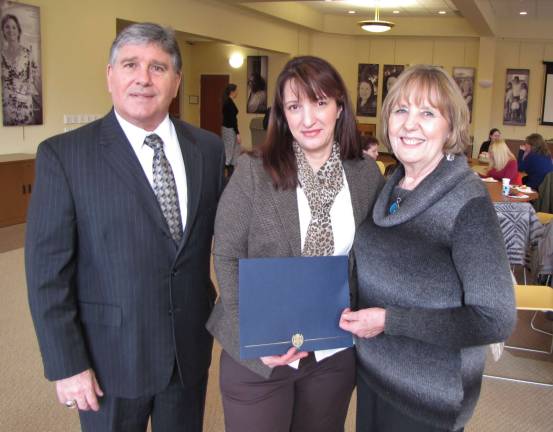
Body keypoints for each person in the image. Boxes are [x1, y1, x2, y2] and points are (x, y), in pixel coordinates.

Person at [25, 23, 225, 432]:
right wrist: (67, 363)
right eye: (131, 64)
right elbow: (47, 274)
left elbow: (224, 238)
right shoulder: (65, 157)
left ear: (175, 81)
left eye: (158, 67)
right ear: (110, 76)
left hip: (187, 352)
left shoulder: (207, 148)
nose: (143, 78)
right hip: (109, 361)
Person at [207, 55, 383, 432]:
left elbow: (370, 259)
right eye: (294, 106)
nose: (308, 118)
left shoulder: (366, 175)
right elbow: (226, 255)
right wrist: (252, 336)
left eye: (319, 102)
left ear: (339, 107)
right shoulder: (253, 171)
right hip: (259, 355)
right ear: (281, 114)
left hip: (331, 353)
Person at [340, 65, 516, 432]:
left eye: (428, 113)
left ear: (450, 127)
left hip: (427, 400)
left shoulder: (467, 202)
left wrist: (390, 320)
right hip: (377, 378)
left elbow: (494, 318)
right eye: (401, 110)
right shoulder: (393, 183)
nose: (410, 124)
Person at [1, 13, 41, 125]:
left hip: (24, 108)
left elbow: (36, 78)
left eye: (14, 27)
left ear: (18, 30)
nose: (10, 30)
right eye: (7, 27)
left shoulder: (27, 54)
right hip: (7, 109)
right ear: (3, 31)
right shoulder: (1, 56)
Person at [221, 83, 241, 175]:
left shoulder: (228, 101)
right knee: (229, 151)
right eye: (236, 91)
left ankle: (231, 172)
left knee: (235, 149)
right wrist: (237, 133)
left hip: (228, 128)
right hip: (229, 129)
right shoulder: (228, 103)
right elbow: (233, 120)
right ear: (232, 92)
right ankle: (223, 174)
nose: (237, 93)